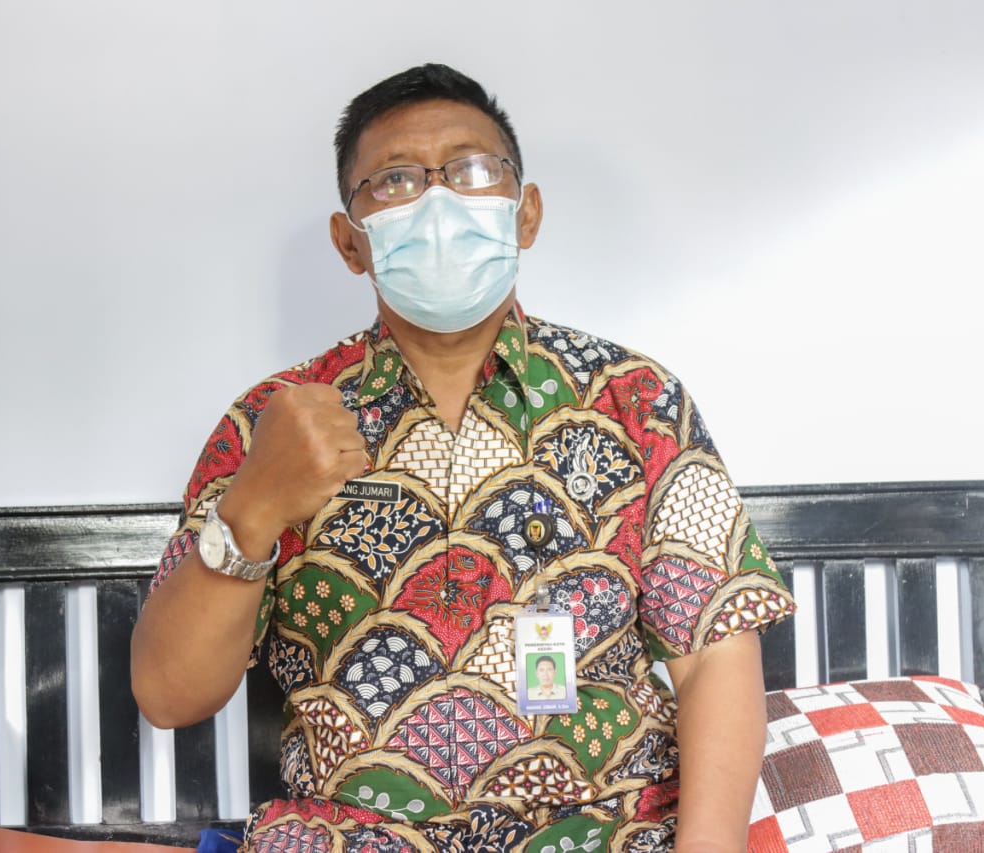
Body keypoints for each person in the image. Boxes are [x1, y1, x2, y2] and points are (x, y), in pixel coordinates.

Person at [131, 63, 795, 853]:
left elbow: (714, 660)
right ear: (349, 242)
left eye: (473, 171)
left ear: (525, 214)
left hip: (605, 831)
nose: (438, 201)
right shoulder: (269, 424)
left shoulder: (639, 400)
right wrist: (254, 508)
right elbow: (168, 694)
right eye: (395, 180)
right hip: (352, 839)